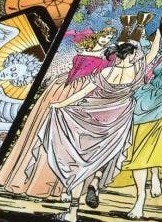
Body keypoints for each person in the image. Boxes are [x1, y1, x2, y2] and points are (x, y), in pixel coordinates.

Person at [39, 41, 155, 222]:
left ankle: (72, 213)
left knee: (79, 163)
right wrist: (160, 33)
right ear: (132, 55)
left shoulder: (106, 72)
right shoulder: (136, 70)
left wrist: (60, 104)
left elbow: (81, 93)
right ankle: (95, 181)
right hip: (117, 122)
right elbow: (153, 52)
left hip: (90, 118)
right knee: (106, 154)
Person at [0, 26, 117, 198]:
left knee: (63, 136)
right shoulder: (84, 45)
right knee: (41, 127)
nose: (106, 39)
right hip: (61, 87)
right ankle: (25, 177)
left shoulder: (107, 57)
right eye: (105, 35)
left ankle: (54, 184)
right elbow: (68, 36)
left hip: (81, 92)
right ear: (99, 35)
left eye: (110, 37)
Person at [109, 46, 162, 219]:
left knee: (150, 148)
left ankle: (145, 191)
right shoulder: (161, 58)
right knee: (139, 150)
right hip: (145, 101)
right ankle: (142, 193)